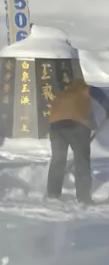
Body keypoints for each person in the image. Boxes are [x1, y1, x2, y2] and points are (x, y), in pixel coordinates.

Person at [47, 76, 94, 204]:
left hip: (55, 127)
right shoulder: (86, 89)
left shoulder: (63, 94)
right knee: (82, 160)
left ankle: (53, 194)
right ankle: (83, 197)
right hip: (76, 125)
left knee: (58, 159)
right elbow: (104, 100)